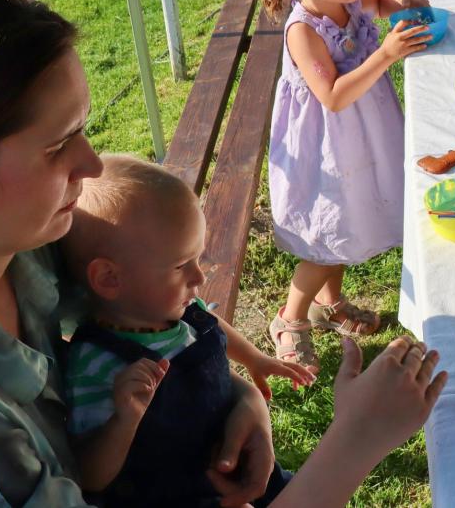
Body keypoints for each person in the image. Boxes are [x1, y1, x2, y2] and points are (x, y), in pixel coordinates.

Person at [0, 0, 446, 507]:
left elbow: (154, 327)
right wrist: (358, 438)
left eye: (82, 130)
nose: (90, 164)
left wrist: (243, 401)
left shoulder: (18, 242)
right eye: (57, 146)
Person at [61, 154, 316, 506]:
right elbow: (91, 475)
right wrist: (123, 420)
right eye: (181, 265)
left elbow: (212, 325)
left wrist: (255, 359)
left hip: (237, 463)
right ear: (109, 278)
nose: (199, 276)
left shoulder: (178, 310)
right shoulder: (95, 362)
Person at [255, 0, 432, 368]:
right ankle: (290, 318)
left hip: (360, 135)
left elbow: (380, 1)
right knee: (326, 233)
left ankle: (328, 305)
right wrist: (386, 54)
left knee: (346, 219)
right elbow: (332, 96)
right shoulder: (303, 31)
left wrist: (403, 2)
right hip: (326, 147)